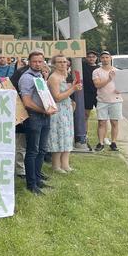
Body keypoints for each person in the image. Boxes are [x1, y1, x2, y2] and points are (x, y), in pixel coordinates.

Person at [18, 51, 58, 195]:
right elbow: (27, 102)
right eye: (34, 61)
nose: (37, 64)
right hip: (34, 117)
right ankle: (31, 184)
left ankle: (38, 178)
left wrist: (49, 108)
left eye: (40, 61)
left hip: (44, 116)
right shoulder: (27, 78)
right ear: (29, 62)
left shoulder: (40, 76)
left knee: (42, 150)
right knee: (32, 151)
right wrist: (43, 110)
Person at [47, 55, 81, 172]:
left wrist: (73, 87)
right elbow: (56, 97)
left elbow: (66, 92)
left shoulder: (65, 75)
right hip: (58, 109)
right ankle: (56, 165)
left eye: (64, 62)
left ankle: (65, 164)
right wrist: (73, 89)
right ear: (54, 64)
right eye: (59, 62)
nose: (63, 64)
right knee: (58, 136)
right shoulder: (54, 77)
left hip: (66, 108)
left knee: (67, 135)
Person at [93, 51, 123, 152]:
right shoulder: (97, 71)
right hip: (102, 100)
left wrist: (120, 89)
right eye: (103, 58)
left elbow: (123, 85)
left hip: (116, 100)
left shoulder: (117, 71)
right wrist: (109, 79)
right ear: (100, 59)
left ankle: (113, 142)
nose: (105, 59)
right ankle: (100, 143)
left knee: (114, 122)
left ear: (110, 58)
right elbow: (97, 85)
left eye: (107, 57)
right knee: (102, 122)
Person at [79, 50, 99, 149]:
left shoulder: (99, 68)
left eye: (93, 56)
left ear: (96, 58)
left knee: (102, 117)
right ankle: (85, 135)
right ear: (86, 57)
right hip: (86, 94)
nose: (91, 58)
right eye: (89, 56)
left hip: (98, 94)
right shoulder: (82, 65)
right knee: (86, 115)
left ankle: (102, 139)